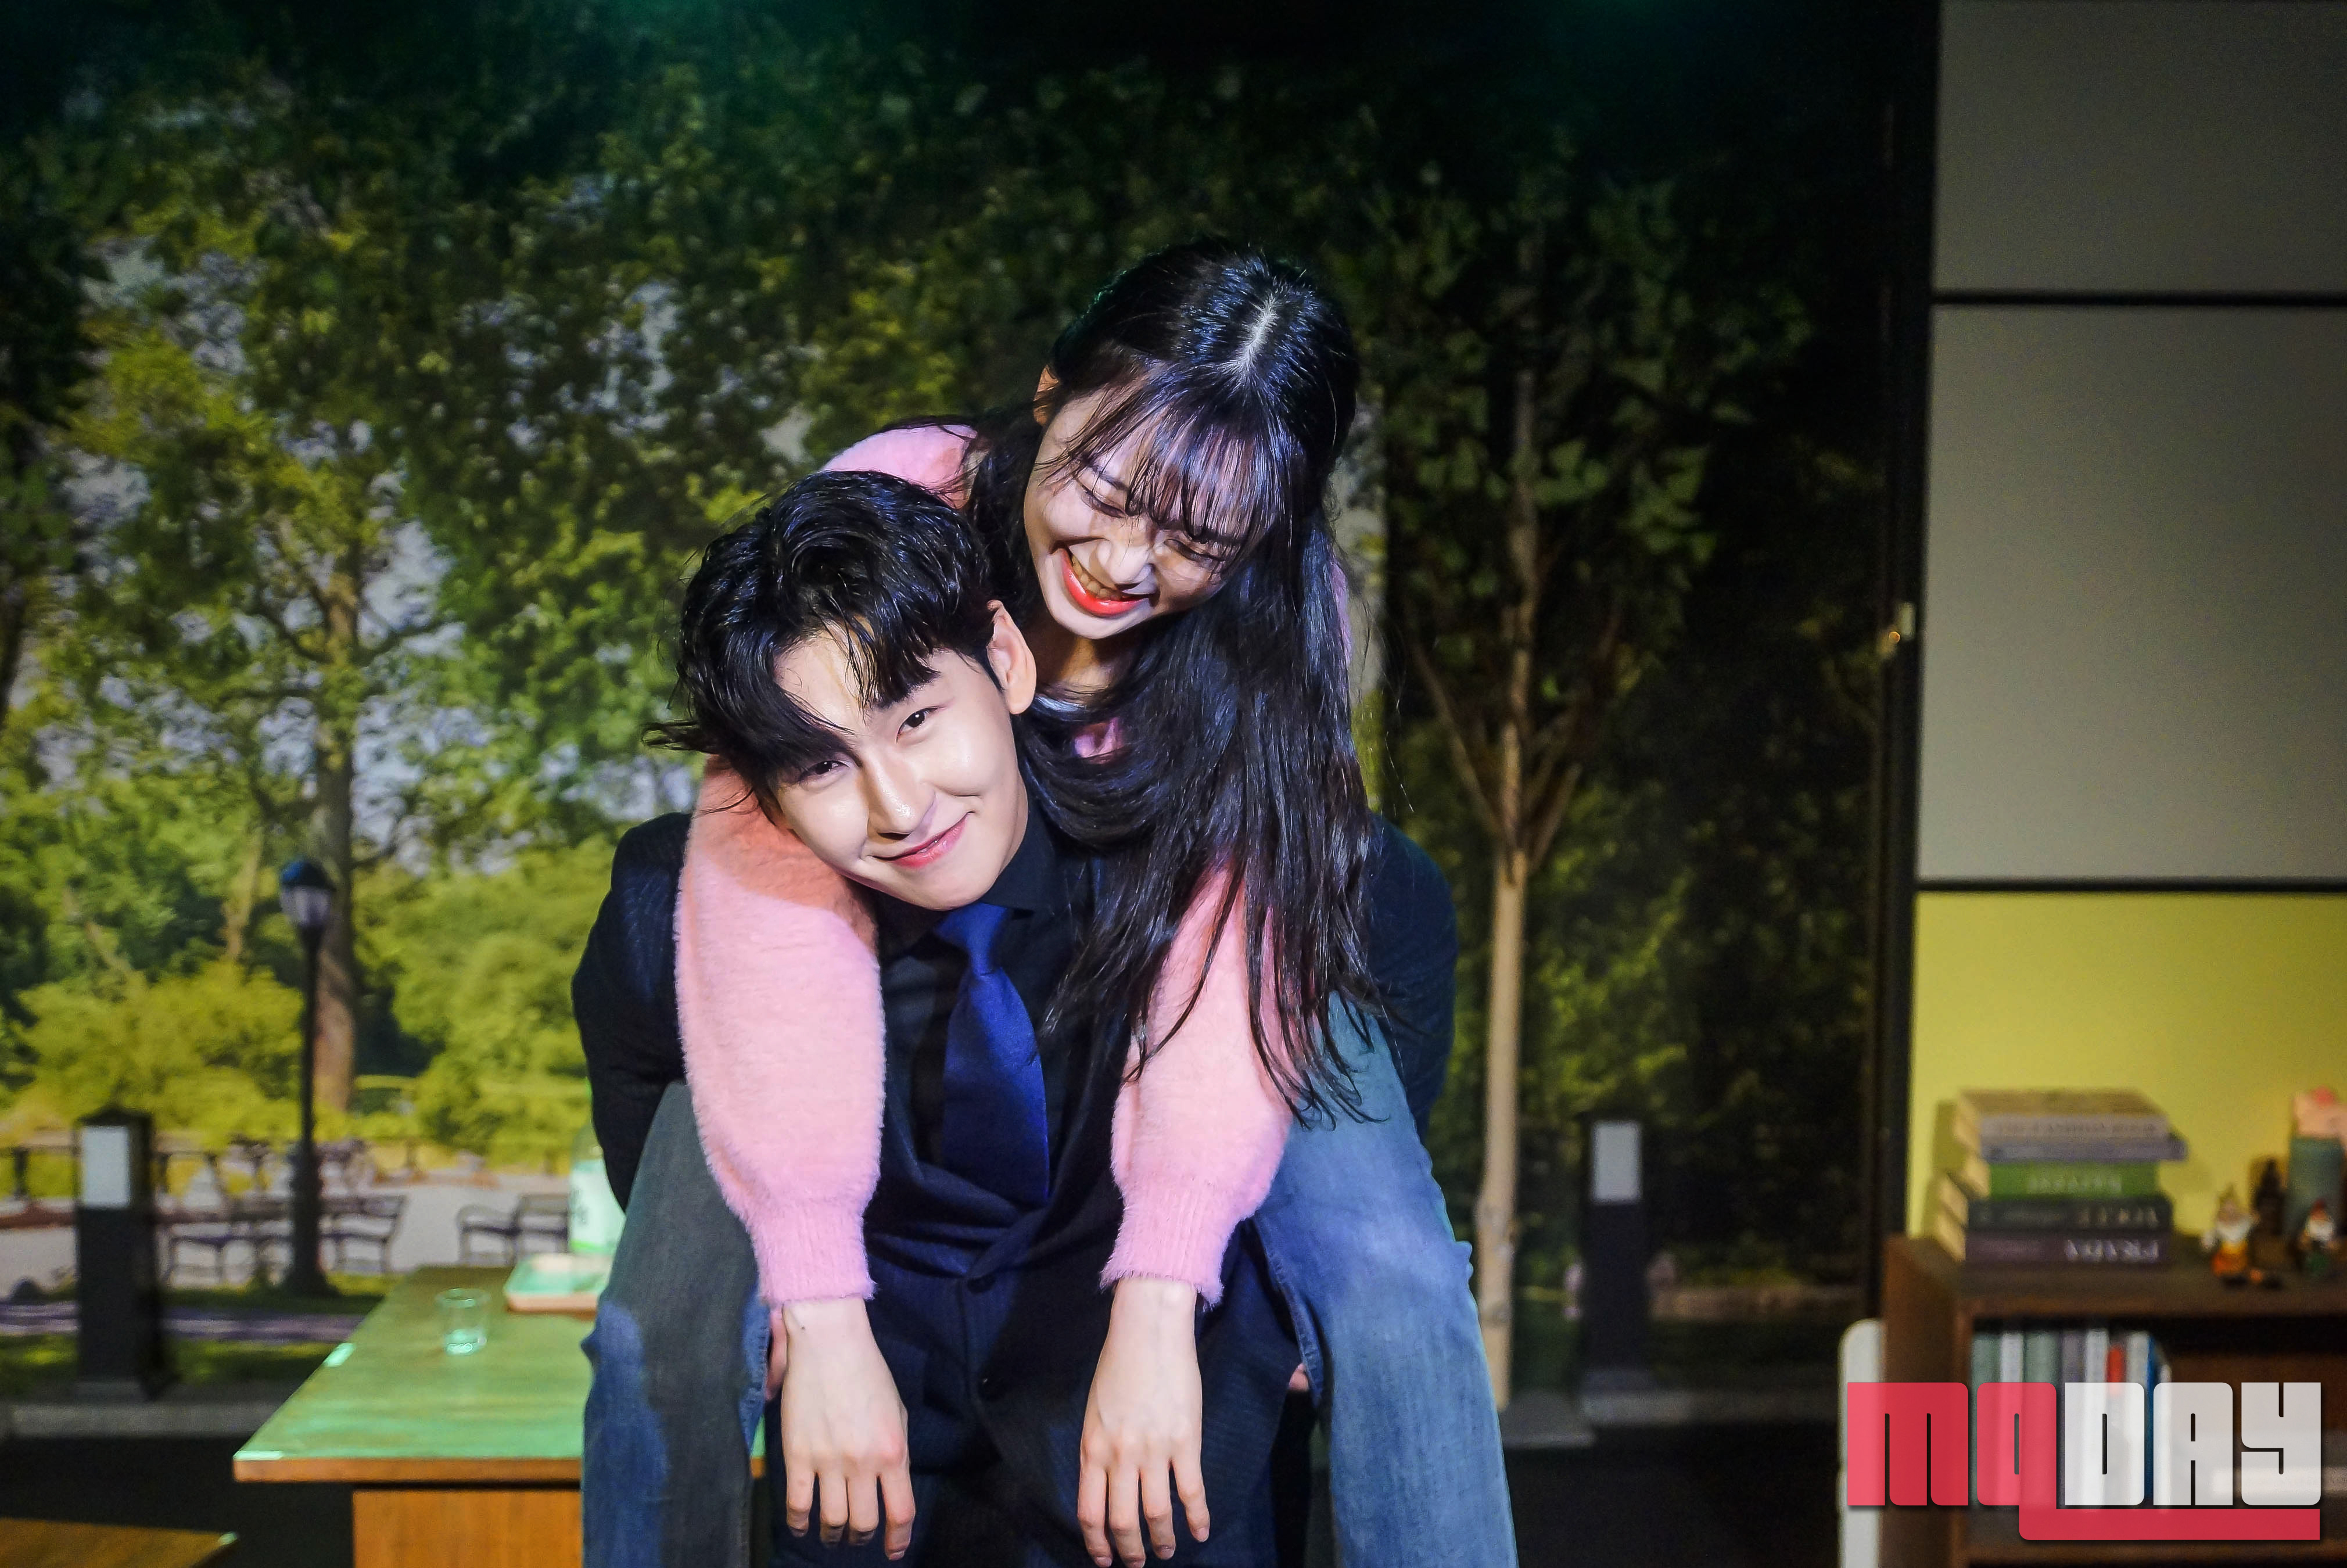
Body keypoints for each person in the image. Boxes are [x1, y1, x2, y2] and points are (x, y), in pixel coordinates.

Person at [579, 242, 1512, 1568]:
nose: (1122, 562)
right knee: (656, 1331)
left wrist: (1168, 1288)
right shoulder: (898, 501)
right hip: (822, 960)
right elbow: (768, 867)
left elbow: (1230, 956)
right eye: (1105, 490)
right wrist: (814, 1292)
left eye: (1197, 537)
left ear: (1269, 528)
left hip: (1220, 972)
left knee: (1399, 1286)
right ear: (1048, 394)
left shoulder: (1276, 631)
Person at [584, 472, 1304, 1563]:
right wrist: (787, 1307)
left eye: (917, 718)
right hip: (862, 1464)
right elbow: (647, 1111)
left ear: (1005, 660)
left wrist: (1271, 1302)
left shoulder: (1178, 847)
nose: (900, 806)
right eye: (821, 764)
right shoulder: (672, 910)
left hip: (1157, 1450)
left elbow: (1386, 957)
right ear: (767, 796)